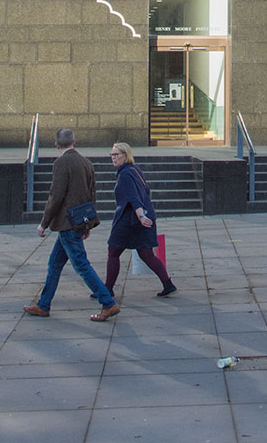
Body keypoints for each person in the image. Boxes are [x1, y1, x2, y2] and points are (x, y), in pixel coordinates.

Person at [23, 128, 120, 322]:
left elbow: (55, 196)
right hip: (78, 222)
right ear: (74, 141)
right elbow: (91, 194)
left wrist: (44, 223)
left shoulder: (61, 163)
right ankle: (43, 305)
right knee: (55, 263)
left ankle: (108, 303)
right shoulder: (86, 162)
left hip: (67, 224)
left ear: (57, 145)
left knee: (81, 265)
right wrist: (88, 224)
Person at [103, 142, 177, 298]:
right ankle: (168, 284)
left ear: (125, 155)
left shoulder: (125, 174)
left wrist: (141, 216)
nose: (113, 158)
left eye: (116, 155)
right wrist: (144, 216)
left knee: (113, 251)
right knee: (146, 254)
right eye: (112, 155)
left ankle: (107, 290)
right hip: (141, 218)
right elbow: (145, 192)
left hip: (129, 220)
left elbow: (133, 197)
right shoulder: (135, 170)